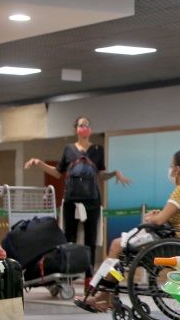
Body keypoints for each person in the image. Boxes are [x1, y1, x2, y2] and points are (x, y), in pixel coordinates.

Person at [74, 148, 180, 313]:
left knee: (116, 245)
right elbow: (176, 216)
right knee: (121, 258)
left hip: (170, 243)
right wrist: (158, 214)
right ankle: (106, 292)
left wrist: (152, 218)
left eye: (171, 165)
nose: (170, 170)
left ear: (177, 169)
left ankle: (104, 293)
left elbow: (161, 220)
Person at [24, 116, 131, 284]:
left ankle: (89, 276)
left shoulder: (97, 149)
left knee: (91, 239)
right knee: (69, 239)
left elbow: (100, 175)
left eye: (87, 125)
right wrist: (39, 163)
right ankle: (69, 274)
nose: (84, 128)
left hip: (92, 200)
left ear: (90, 129)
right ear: (76, 129)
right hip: (71, 200)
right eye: (81, 125)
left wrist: (114, 173)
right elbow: (58, 172)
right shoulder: (68, 149)